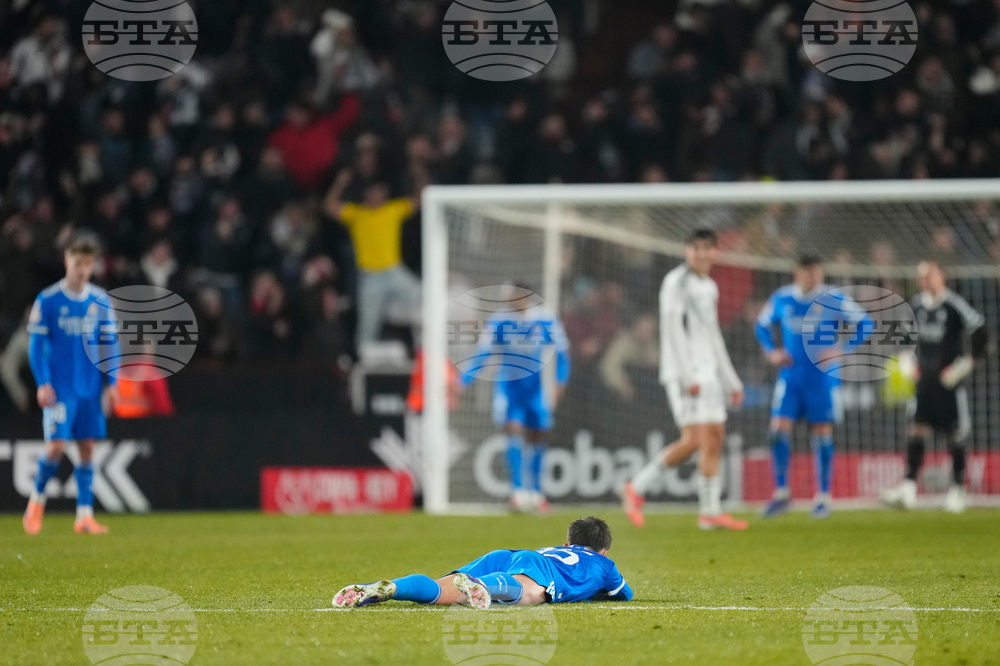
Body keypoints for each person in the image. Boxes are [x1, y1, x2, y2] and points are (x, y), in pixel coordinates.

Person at [622, 229, 747, 531]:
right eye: (695, 248)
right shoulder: (676, 282)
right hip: (684, 372)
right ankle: (636, 488)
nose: (701, 253)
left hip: (709, 371)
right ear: (687, 251)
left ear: (715, 252)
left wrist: (731, 380)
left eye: (706, 248)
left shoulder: (710, 286)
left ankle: (710, 511)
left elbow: (713, 335)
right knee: (694, 440)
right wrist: (687, 375)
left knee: (714, 437)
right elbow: (672, 328)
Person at [755, 256, 873, 519]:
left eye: (818, 272)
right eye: (810, 272)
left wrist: (843, 349)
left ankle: (823, 497)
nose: (816, 277)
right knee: (777, 432)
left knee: (822, 434)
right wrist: (772, 351)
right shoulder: (782, 298)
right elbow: (761, 326)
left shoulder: (833, 297)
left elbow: (865, 323)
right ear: (797, 273)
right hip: (790, 378)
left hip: (822, 380)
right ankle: (782, 494)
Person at [23, 230, 119, 535]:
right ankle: (36, 502)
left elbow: (110, 345)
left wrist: (112, 384)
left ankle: (84, 516)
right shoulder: (48, 299)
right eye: (78, 263)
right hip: (60, 387)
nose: (83, 270)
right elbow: (36, 346)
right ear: (67, 261)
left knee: (88, 447)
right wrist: (42, 382)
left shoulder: (101, 300)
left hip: (90, 386)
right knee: (56, 446)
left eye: (88, 264)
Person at [332, 516, 631, 609]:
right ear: (603, 551)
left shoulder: (555, 549)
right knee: (531, 593)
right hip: (536, 568)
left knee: (440, 591)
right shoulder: (605, 565)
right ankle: (481, 586)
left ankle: (390, 587)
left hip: (513, 555)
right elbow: (624, 595)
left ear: (567, 544)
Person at [882, 260, 987, 513]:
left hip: (949, 383)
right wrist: (906, 359)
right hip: (924, 381)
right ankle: (908, 488)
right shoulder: (916, 304)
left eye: (929, 275)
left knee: (955, 434)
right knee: (916, 430)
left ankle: (958, 490)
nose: (924, 280)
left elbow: (982, 331)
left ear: (942, 276)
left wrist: (965, 364)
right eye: (921, 276)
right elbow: (902, 335)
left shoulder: (953, 304)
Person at [460, 285, 571, 514]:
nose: (509, 299)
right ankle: (518, 493)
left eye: (513, 294)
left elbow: (562, 354)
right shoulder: (499, 321)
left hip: (535, 390)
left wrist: (560, 382)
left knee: (538, 435)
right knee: (513, 430)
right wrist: (463, 381)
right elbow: (483, 353)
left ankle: (536, 493)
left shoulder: (545, 320)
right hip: (509, 389)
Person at [323, 168, 424, 351]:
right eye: (374, 191)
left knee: (424, 299)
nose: (378, 195)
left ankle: (425, 349)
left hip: (394, 271)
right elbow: (328, 206)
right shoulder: (357, 213)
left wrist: (418, 174)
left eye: (381, 191)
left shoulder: (393, 209)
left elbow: (421, 199)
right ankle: (362, 364)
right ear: (366, 194)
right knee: (367, 328)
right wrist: (340, 183)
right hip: (370, 277)